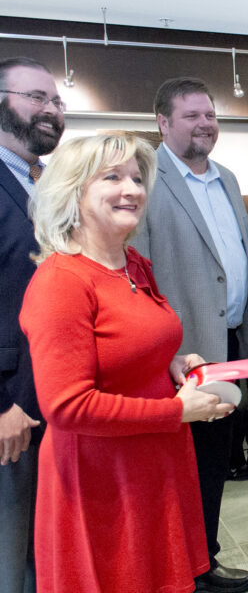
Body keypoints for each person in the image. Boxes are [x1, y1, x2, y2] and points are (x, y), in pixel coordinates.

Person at [19, 133, 234, 592]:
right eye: (112, 177)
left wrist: (171, 363)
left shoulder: (132, 263)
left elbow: (131, 346)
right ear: (73, 191)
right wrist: (178, 412)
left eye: (137, 178)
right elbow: (67, 406)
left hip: (153, 464)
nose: (132, 189)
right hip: (102, 483)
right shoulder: (62, 281)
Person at [131, 76, 248, 593]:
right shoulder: (144, 177)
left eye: (210, 115)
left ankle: (202, 562)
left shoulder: (228, 178)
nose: (205, 124)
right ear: (163, 122)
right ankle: (173, 569)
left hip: (227, 346)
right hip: (175, 360)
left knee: (211, 467)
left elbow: (239, 266)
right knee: (173, 474)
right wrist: (157, 354)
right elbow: (136, 272)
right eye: (191, 115)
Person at [0, 56, 63, 593]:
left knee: (45, 556)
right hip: (10, 411)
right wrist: (6, 405)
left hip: (54, 399)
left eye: (56, 101)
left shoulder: (49, 185)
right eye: (35, 97)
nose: (49, 109)